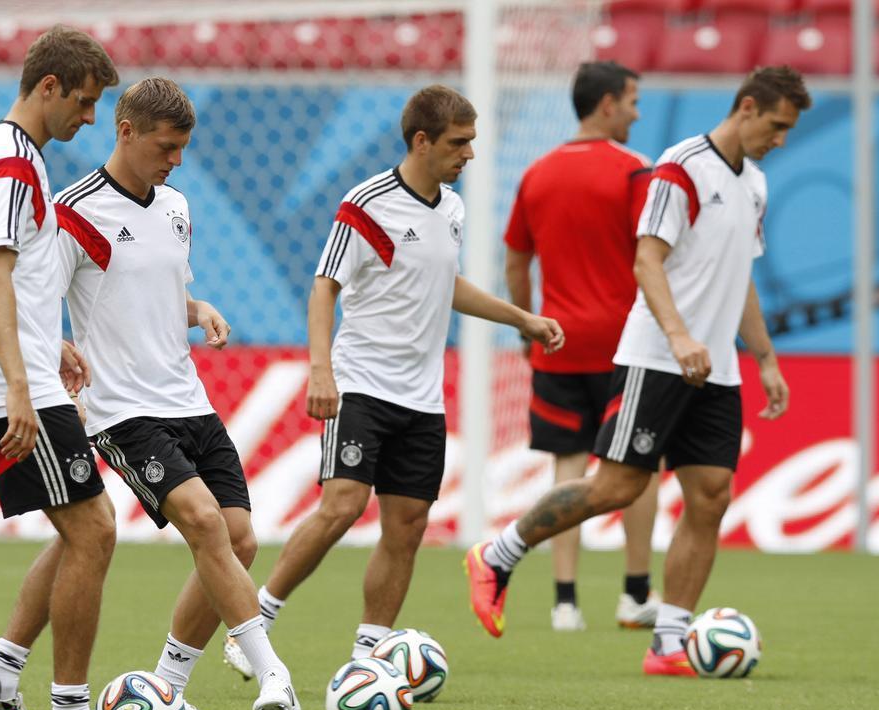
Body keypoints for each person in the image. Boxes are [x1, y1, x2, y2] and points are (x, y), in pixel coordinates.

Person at [467, 66, 811, 675]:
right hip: (656, 355)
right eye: (777, 126)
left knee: (710, 496)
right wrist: (678, 335)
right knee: (616, 487)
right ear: (749, 107)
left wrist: (765, 359)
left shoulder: (754, 183)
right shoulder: (681, 167)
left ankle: (669, 643)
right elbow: (647, 260)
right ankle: (498, 553)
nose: (779, 139)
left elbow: (740, 277)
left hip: (717, 367)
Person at [230, 85, 563, 669]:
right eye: (460, 143)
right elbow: (324, 286)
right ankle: (253, 625)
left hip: (423, 397)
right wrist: (320, 370)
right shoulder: (366, 204)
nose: (470, 154)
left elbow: (445, 283)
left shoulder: (452, 209)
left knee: (407, 527)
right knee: (342, 506)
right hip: (361, 385)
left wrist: (521, 320)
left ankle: (369, 657)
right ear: (422, 141)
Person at [0, 27, 153, 710]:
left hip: (11, 369)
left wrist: (41, 332)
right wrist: (22, 383)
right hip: (12, 386)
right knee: (94, 530)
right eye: (85, 103)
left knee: (78, 530)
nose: (90, 119)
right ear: (48, 87)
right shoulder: (14, 164)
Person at [54, 78, 300, 710]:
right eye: (167, 146)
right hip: (121, 408)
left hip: (186, 395)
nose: (177, 161)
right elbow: (30, 297)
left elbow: (157, 288)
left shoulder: (176, 206)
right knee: (206, 523)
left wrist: (198, 307)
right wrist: (50, 353)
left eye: (184, 148)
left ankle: (167, 691)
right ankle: (271, 670)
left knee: (240, 538)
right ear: (126, 131)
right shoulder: (74, 211)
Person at [502, 61, 661, 632]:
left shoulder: (537, 173)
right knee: (638, 468)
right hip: (628, 347)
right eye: (634, 101)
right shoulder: (634, 171)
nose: (639, 113)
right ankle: (635, 594)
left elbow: (516, 259)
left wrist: (528, 325)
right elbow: (655, 256)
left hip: (558, 343)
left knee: (567, 470)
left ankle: (564, 602)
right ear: (608, 103)